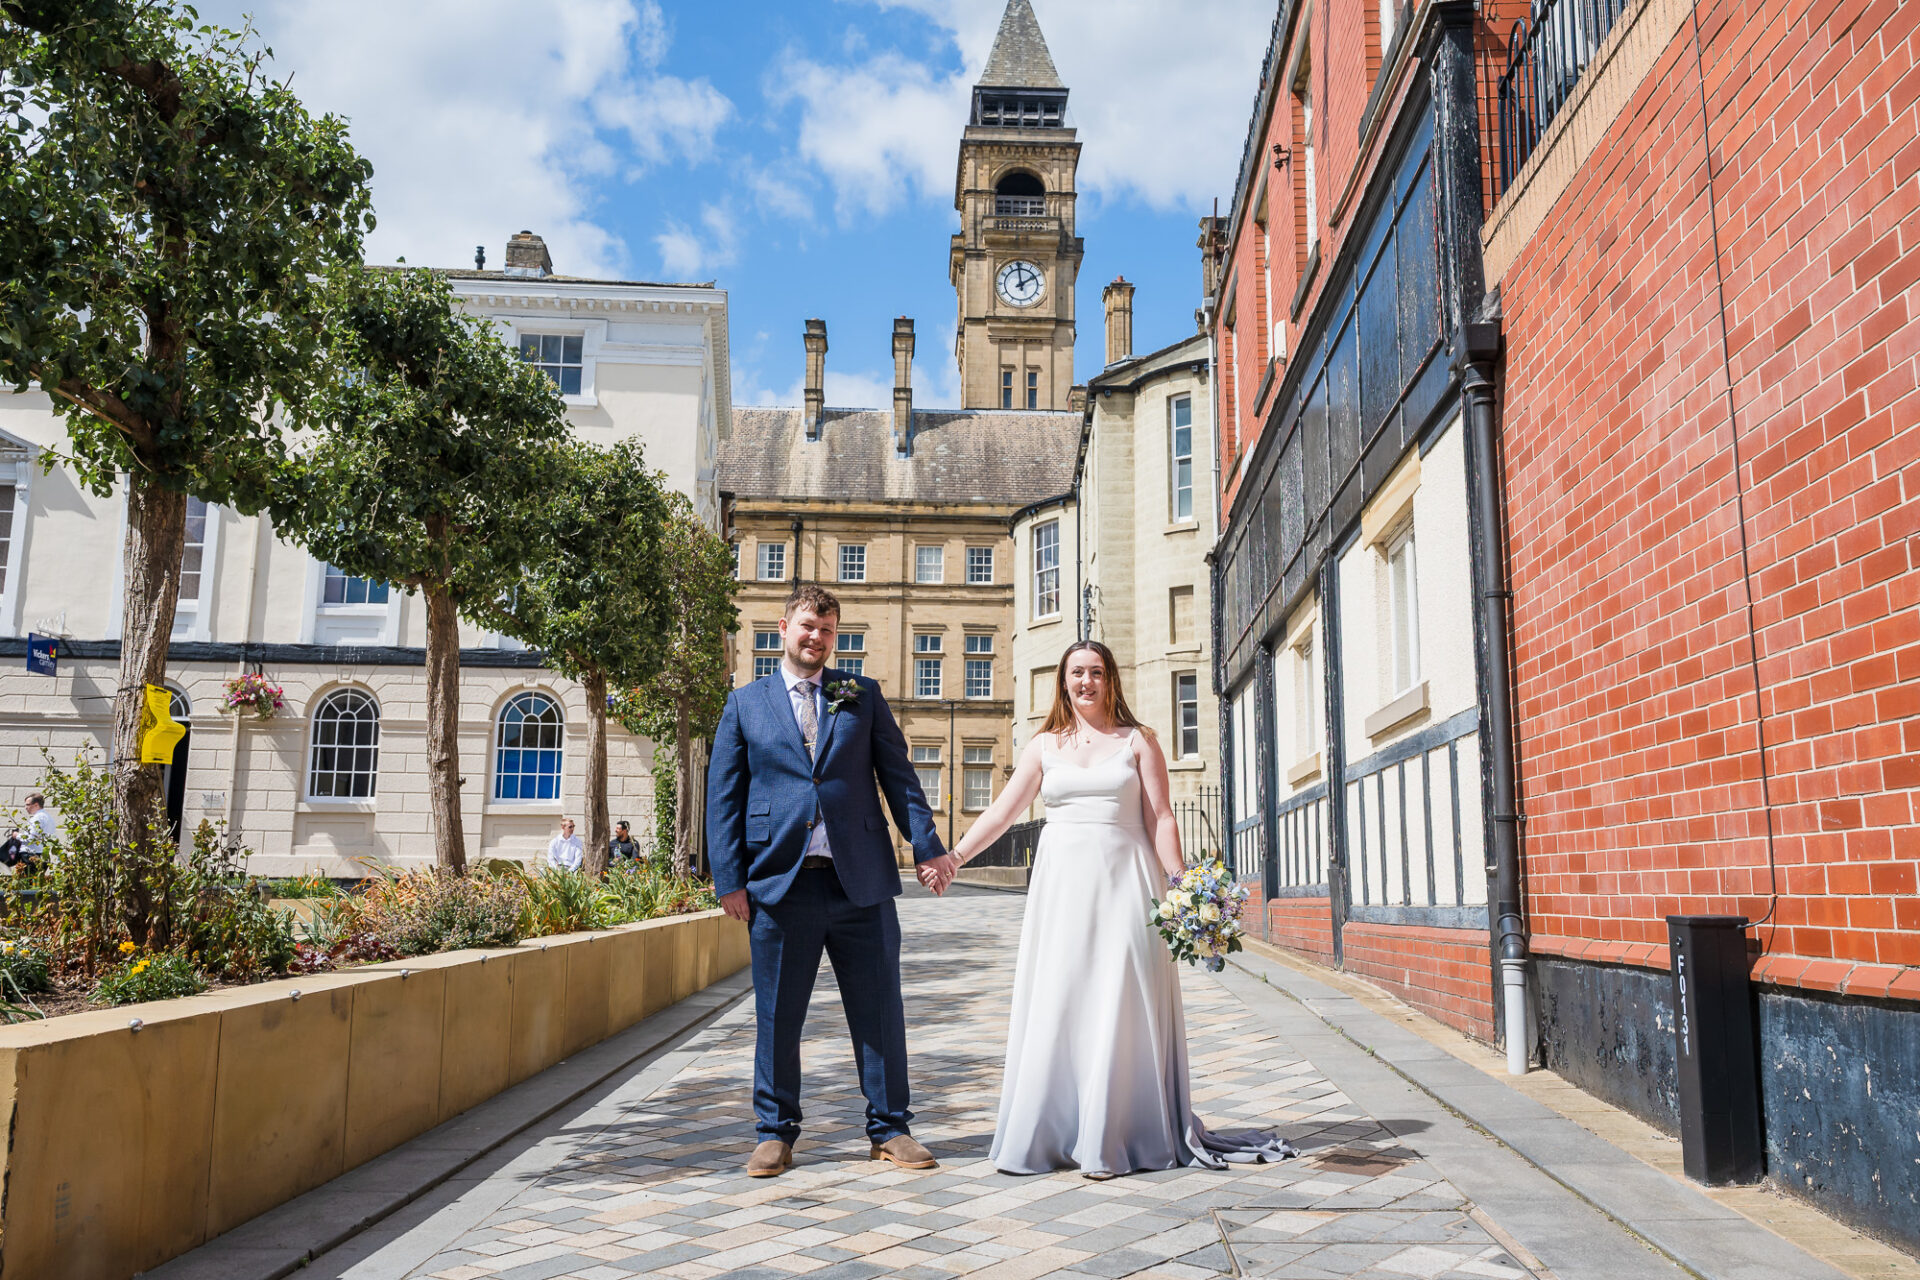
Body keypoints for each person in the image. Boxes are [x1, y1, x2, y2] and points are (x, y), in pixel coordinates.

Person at [930, 640, 1294, 1179]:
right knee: (1063, 996)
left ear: (1110, 679)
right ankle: (1057, 1131)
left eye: (1096, 672)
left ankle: (1116, 1134)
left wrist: (1183, 887)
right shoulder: (1043, 746)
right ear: (1063, 680)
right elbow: (1003, 813)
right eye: (1077, 672)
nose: (1086, 682)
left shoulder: (1139, 740)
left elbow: (1161, 817)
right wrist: (955, 857)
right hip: (1061, 892)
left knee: (1119, 996)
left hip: (1127, 885)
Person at [706, 582, 955, 1179]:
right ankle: (775, 1133)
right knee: (777, 1015)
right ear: (784, 628)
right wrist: (729, 880)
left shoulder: (857, 694)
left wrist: (928, 847)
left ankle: (889, 1128)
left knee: (879, 1010)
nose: (816, 637)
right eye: (807, 626)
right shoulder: (746, 703)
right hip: (780, 884)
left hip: (859, 882)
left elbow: (899, 777)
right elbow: (724, 798)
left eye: (827, 630)